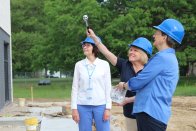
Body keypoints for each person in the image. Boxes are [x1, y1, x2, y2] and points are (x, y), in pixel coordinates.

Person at [121, 18, 185, 131]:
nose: (154, 35)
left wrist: (124, 85)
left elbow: (139, 81)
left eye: (157, 33)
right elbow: (149, 87)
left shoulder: (162, 58)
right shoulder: (167, 58)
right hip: (153, 113)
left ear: (164, 37)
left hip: (151, 114)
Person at [87, 29, 153, 131]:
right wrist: (95, 39)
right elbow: (107, 53)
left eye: (135, 50)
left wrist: (128, 100)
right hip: (130, 113)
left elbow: (149, 93)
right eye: (130, 49)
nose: (131, 52)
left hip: (147, 113)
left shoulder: (151, 69)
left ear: (144, 54)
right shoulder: (124, 65)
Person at [71, 37, 112, 131]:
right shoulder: (79, 65)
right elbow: (75, 87)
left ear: (95, 47)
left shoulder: (104, 64)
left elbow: (108, 87)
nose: (84, 47)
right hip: (82, 105)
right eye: (83, 45)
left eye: (87, 45)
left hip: (101, 105)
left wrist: (108, 108)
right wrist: (74, 108)